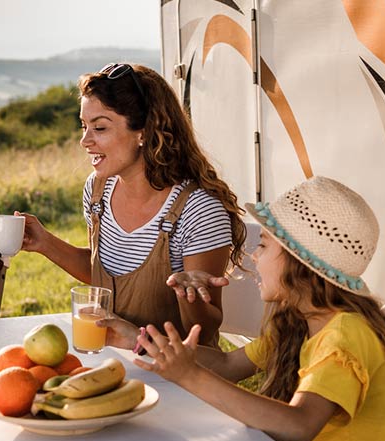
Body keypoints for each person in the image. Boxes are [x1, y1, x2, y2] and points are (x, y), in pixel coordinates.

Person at [135, 177, 385, 441]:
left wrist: (190, 376)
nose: (254, 256)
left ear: (297, 261)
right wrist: (139, 340)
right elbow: (227, 364)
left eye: (262, 245)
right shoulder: (299, 322)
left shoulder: (345, 335)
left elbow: (299, 427)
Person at [15, 63, 247, 348]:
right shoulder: (98, 190)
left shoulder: (198, 210)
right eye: (84, 126)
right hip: (114, 361)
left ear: (144, 131)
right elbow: (107, 274)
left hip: (181, 378)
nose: (84, 141)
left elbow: (206, 328)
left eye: (99, 127)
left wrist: (188, 295)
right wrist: (45, 243)